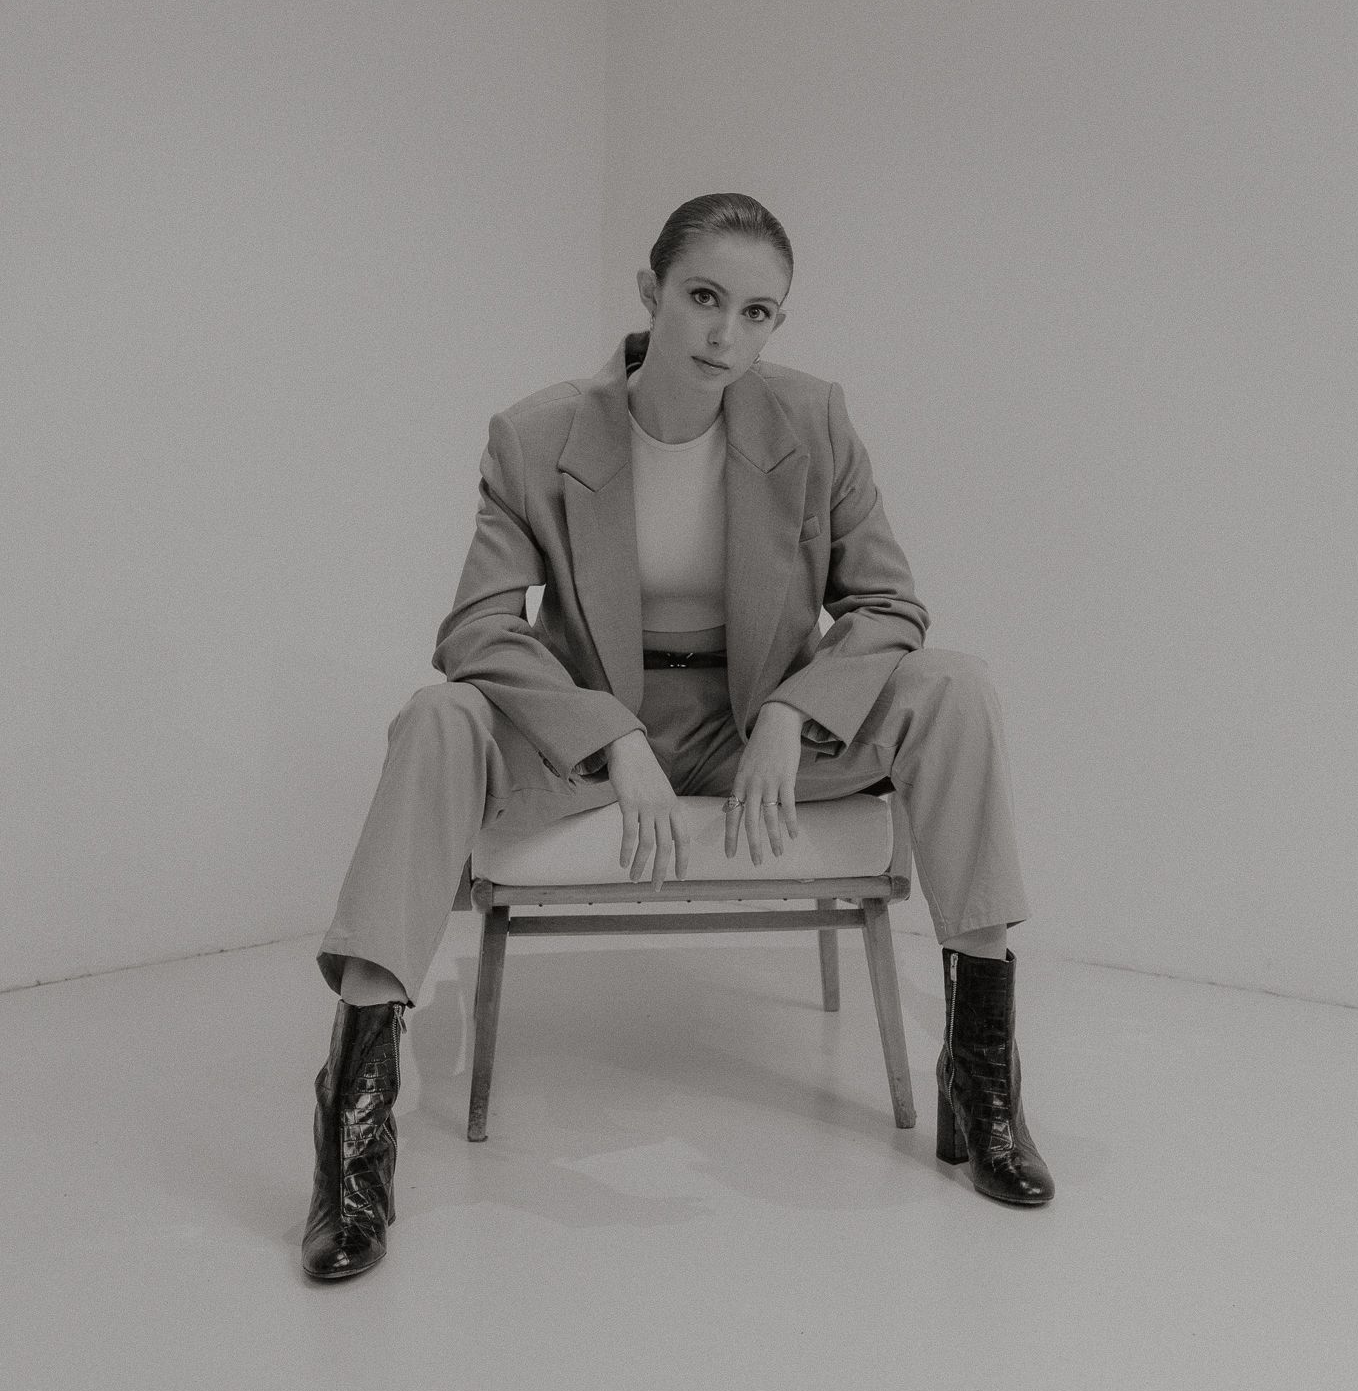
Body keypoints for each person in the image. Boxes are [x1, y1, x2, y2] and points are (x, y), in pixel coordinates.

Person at [301, 191, 1053, 1282]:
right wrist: (610, 737)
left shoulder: (813, 419)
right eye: (705, 299)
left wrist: (798, 711)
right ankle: (354, 1121)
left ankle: (980, 1069)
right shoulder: (539, 433)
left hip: (759, 731)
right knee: (438, 719)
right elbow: (475, 628)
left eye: (759, 314)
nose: (726, 336)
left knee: (955, 688)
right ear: (652, 293)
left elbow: (890, 606)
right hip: (595, 728)